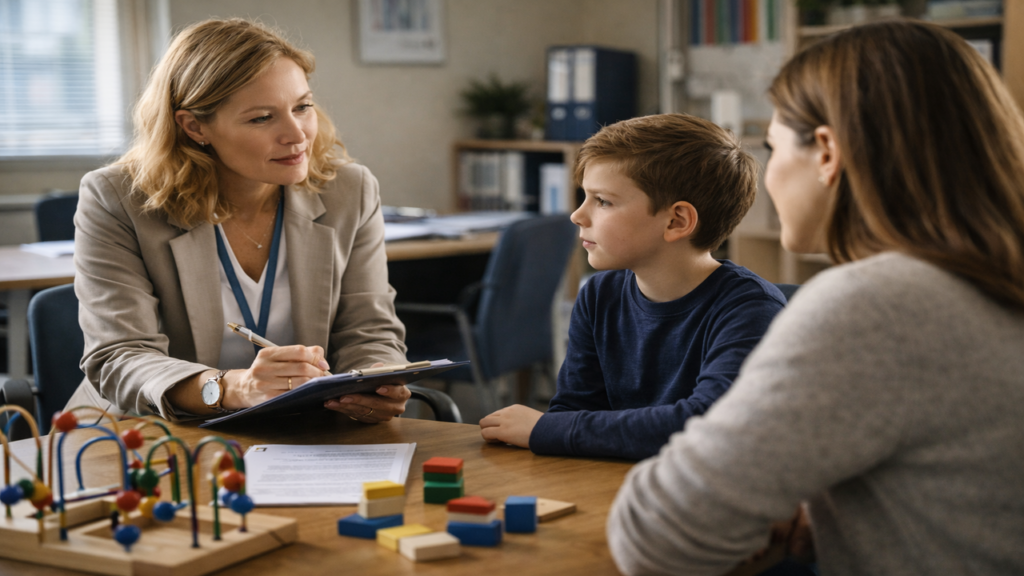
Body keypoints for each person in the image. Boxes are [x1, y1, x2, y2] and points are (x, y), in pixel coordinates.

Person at [607, 20, 1024, 576]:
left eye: (773, 148)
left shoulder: (878, 305)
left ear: (826, 152)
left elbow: (658, 534)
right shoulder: (990, 280)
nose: (771, 174)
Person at [66, 18, 410, 423]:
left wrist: (374, 382)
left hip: (304, 432)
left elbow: (369, 330)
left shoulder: (350, 190)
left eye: (302, 107)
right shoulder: (117, 198)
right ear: (194, 126)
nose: (297, 135)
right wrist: (231, 388)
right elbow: (119, 355)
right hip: (149, 431)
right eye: (262, 118)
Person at [479, 114, 786, 460]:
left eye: (603, 201)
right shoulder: (598, 295)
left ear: (676, 221)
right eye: (584, 196)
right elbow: (573, 411)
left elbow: (708, 424)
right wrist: (559, 429)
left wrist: (544, 429)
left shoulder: (750, 310)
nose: (577, 215)